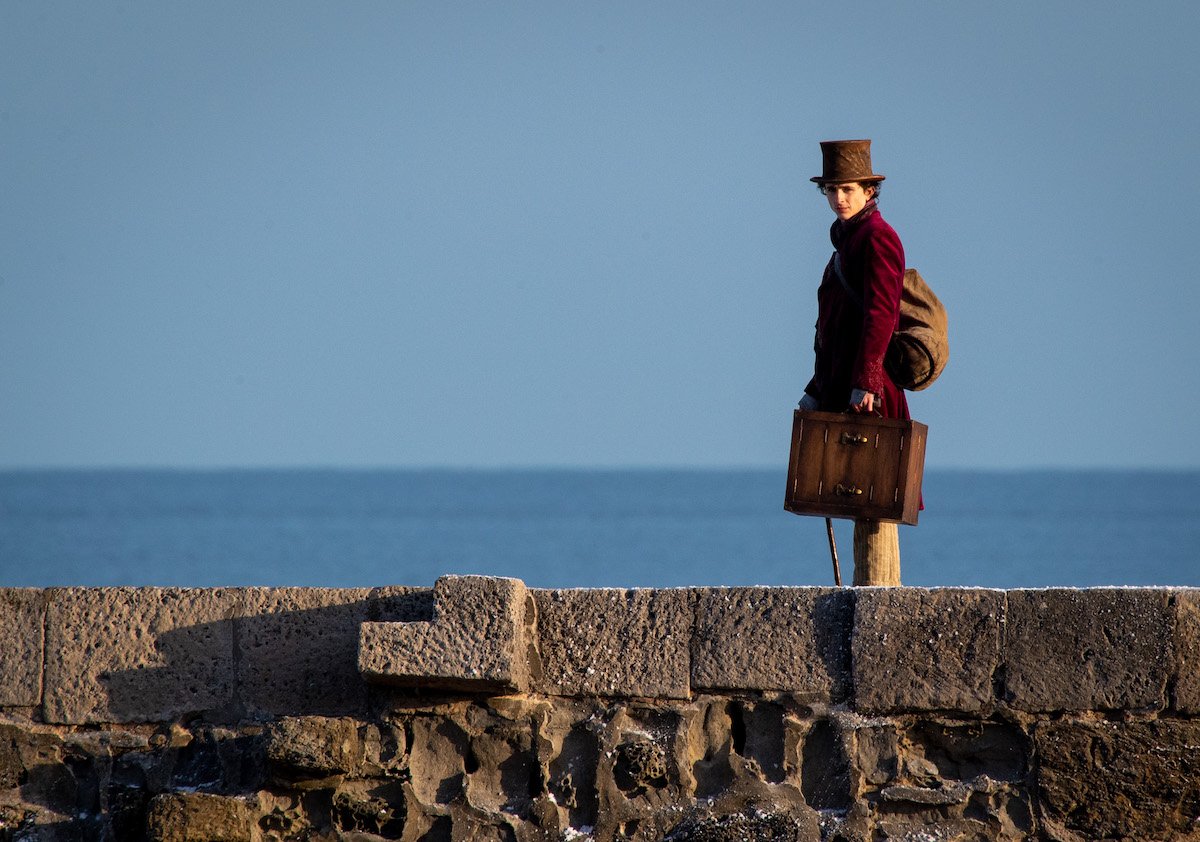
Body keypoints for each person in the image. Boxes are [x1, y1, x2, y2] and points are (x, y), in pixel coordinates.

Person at [797, 138, 908, 585]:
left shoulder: (879, 238)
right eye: (831, 190)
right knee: (861, 503)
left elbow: (883, 313)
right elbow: (834, 334)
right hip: (848, 390)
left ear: (869, 191)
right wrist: (815, 390)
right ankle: (873, 603)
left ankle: (881, 617)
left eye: (847, 189)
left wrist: (867, 381)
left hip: (872, 394)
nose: (839, 198)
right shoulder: (845, 245)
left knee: (875, 506)